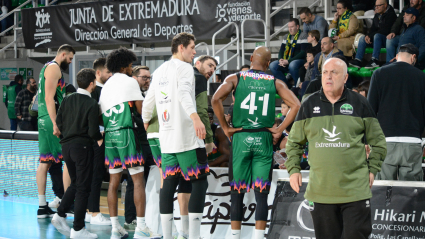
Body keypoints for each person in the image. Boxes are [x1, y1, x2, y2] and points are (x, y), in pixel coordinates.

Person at [286, 58, 387, 239]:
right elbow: (294, 143)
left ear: (345, 77)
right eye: (325, 72)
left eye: (334, 72)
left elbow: (378, 142)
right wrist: (293, 169)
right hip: (321, 193)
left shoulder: (360, 103)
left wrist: (372, 170)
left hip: (355, 192)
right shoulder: (308, 104)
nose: (328, 77)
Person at [211, 46, 301, 239]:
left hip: (241, 138)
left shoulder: (235, 78)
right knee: (261, 194)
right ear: (269, 63)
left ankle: (235, 236)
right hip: (263, 139)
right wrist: (279, 129)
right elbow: (296, 105)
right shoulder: (275, 82)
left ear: (251, 58)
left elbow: (216, 98)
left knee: (237, 193)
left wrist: (226, 128)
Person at [142, 32, 209, 239]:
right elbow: (183, 94)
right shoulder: (185, 68)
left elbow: (148, 102)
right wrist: (196, 118)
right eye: (192, 47)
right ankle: (194, 235)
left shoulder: (160, 70)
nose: (194, 52)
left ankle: (169, 236)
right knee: (200, 182)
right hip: (187, 138)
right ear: (181, 47)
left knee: (169, 184)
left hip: (167, 140)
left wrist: (145, 122)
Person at [99, 47, 160, 239]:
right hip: (126, 133)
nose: (131, 68)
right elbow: (143, 112)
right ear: (125, 66)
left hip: (110, 135)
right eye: (131, 65)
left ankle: (115, 228)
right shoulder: (129, 82)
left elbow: (100, 117)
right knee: (137, 180)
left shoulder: (106, 85)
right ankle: (141, 227)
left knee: (113, 182)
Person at [51, 68, 103, 238]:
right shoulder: (91, 104)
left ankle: (59, 214)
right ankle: (78, 229)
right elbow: (93, 131)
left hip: (66, 147)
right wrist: (100, 135)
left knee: (75, 183)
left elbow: (59, 122)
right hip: (83, 148)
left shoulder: (67, 99)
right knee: (83, 188)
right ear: (91, 84)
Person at [368, 43, 425, 181]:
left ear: (397, 56)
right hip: (412, 141)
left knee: (382, 193)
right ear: (413, 57)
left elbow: (370, 110)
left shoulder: (379, 73)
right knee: (411, 195)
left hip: (385, 140)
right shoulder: (421, 77)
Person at [36, 44, 74, 218]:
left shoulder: (47, 67)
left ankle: (43, 206)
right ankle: (67, 202)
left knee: (46, 162)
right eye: (70, 58)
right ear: (63, 54)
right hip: (50, 119)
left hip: (43, 118)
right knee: (68, 159)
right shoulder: (54, 68)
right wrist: (55, 123)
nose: (71, 62)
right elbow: (48, 98)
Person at [123, 65, 157, 232]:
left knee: (148, 181)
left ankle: (145, 217)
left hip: (149, 143)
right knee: (134, 182)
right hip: (134, 144)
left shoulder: (147, 95)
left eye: (149, 78)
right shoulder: (128, 97)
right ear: (134, 78)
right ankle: (130, 219)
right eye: (144, 77)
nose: (148, 81)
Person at [85, 57, 112, 226]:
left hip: (96, 138)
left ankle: (90, 211)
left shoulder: (103, 90)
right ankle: (94, 213)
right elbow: (94, 117)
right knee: (95, 175)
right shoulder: (95, 92)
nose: (111, 75)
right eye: (108, 72)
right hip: (96, 139)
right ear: (98, 72)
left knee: (94, 175)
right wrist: (98, 137)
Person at [349, 0, 397, 69]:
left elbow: (385, 30)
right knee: (362, 38)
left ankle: (375, 60)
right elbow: (373, 28)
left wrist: (371, 36)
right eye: (375, 6)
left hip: (385, 40)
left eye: (378, 6)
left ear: (385, 5)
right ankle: (358, 60)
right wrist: (368, 36)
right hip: (376, 39)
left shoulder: (391, 15)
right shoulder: (378, 14)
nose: (376, 8)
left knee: (377, 36)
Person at [269, 18, 309, 87]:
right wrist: (280, 59)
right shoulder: (286, 36)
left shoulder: (303, 35)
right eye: (289, 27)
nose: (290, 29)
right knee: (272, 65)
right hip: (287, 61)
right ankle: (286, 86)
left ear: (297, 26)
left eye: (292, 27)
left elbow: (303, 53)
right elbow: (281, 51)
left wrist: (288, 61)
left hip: (299, 61)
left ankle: (298, 86)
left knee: (292, 64)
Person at [195, 55, 218, 155]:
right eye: (210, 65)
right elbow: (202, 111)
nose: (212, 70)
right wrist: (209, 139)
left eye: (214, 68)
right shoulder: (200, 78)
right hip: (187, 134)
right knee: (197, 169)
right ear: (198, 63)